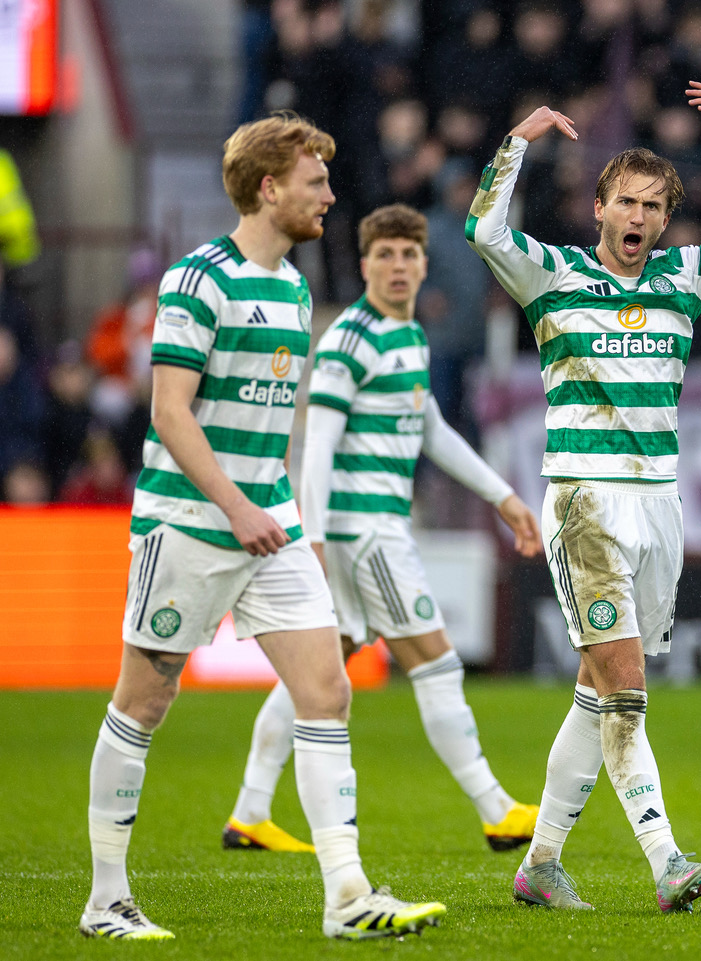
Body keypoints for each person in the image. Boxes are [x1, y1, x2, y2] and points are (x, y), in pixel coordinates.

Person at [78, 113, 446, 942]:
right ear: (269, 187)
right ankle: (105, 900)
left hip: (268, 522)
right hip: (187, 521)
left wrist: (272, 506)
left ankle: (347, 894)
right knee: (144, 699)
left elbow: (271, 421)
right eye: (316, 181)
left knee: (327, 690)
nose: (330, 195)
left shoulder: (294, 289)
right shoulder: (197, 279)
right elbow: (170, 413)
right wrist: (234, 505)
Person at [466, 82, 701, 913]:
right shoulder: (551, 274)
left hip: (658, 505)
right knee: (625, 687)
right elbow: (484, 230)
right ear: (598, 207)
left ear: (664, 219)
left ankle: (540, 863)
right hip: (585, 504)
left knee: (597, 690)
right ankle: (665, 858)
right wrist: (516, 142)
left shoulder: (686, 276)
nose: (638, 215)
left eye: (653, 205)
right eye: (625, 200)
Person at [222, 202, 544, 855]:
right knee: (437, 662)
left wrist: (503, 496)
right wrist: (312, 538)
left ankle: (250, 811)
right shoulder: (350, 339)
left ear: (424, 265)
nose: (397, 266)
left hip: (366, 529)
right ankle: (495, 808)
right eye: (384, 255)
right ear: (365, 264)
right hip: (363, 532)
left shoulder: (410, 336)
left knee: (319, 669)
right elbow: (315, 445)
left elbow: (432, 431)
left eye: (408, 255)